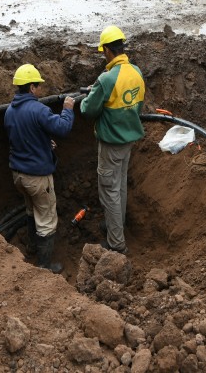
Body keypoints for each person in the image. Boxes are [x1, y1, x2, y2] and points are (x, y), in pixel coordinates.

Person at [80, 25, 145, 255]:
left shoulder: (106, 79)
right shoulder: (136, 72)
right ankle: (117, 225)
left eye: (103, 51)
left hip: (111, 145)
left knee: (109, 191)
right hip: (128, 142)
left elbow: (88, 110)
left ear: (107, 50)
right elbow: (137, 106)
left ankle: (116, 243)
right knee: (120, 187)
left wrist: (91, 94)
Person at [4, 64, 75, 273]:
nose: (41, 90)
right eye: (39, 86)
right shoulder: (38, 109)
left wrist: (44, 144)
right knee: (46, 220)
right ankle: (44, 267)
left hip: (18, 175)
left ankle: (32, 246)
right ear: (32, 88)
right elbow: (62, 128)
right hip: (37, 177)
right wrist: (68, 110)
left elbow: (23, 137)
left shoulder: (9, 111)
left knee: (30, 210)